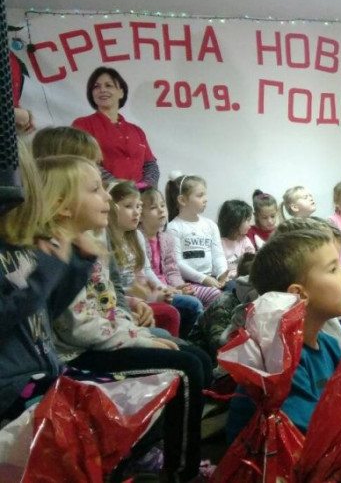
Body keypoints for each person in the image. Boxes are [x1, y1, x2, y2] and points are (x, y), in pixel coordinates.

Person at [38, 155, 211, 481]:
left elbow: (109, 304)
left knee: (199, 359)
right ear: (62, 205)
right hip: (77, 355)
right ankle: (180, 472)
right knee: (186, 369)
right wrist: (141, 339)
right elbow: (80, 329)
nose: (108, 197)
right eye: (96, 190)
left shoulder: (91, 244)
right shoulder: (57, 253)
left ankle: (151, 451)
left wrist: (138, 334)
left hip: (103, 341)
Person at [0, 147, 97, 422]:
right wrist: (45, 272)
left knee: (114, 402)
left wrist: (78, 265)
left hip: (45, 370)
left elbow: (48, 310)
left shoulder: (24, 245)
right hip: (10, 386)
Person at [227, 224, 341, 439]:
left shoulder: (329, 345)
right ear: (299, 294)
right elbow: (311, 437)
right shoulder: (280, 359)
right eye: (333, 269)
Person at [108, 181, 185, 337]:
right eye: (128, 206)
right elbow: (116, 288)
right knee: (171, 313)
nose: (136, 212)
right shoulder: (107, 239)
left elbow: (144, 272)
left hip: (139, 296)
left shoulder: (136, 236)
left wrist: (160, 291)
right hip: (123, 299)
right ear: (112, 208)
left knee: (187, 305)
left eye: (138, 207)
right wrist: (150, 296)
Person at [72, 66, 159, 187]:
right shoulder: (82, 125)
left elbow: (150, 165)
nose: (102, 90)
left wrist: (145, 187)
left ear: (121, 93)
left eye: (109, 85)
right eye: (96, 87)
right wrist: (119, 187)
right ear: (91, 93)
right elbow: (85, 162)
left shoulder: (137, 131)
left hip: (139, 196)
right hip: (104, 193)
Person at [140, 186, 221, 309]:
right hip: (153, 291)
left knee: (213, 294)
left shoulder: (166, 239)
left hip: (172, 288)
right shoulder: (138, 238)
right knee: (193, 304)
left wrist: (180, 287)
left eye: (162, 205)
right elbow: (143, 275)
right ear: (140, 215)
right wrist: (169, 289)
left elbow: (172, 270)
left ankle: (203, 321)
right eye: (153, 208)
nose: (161, 210)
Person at [165, 173, 227, 306]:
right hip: (188, 283)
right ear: (183, 200)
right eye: (200, 195)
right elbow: (177, 263)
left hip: (212, 278)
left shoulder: (210, 225)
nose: (206, 199)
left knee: (235, 289)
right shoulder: (173, 228)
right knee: (215, 295)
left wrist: (222, 273)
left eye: (205, 195)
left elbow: (218, 255)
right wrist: (203, 278)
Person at [218, 199, 255, 282]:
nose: (250, 226)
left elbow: (251, 262)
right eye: (248, 220)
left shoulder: (245, 241)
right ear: (236, 221)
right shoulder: (219, 242)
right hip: (227, 280)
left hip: (243, 277)